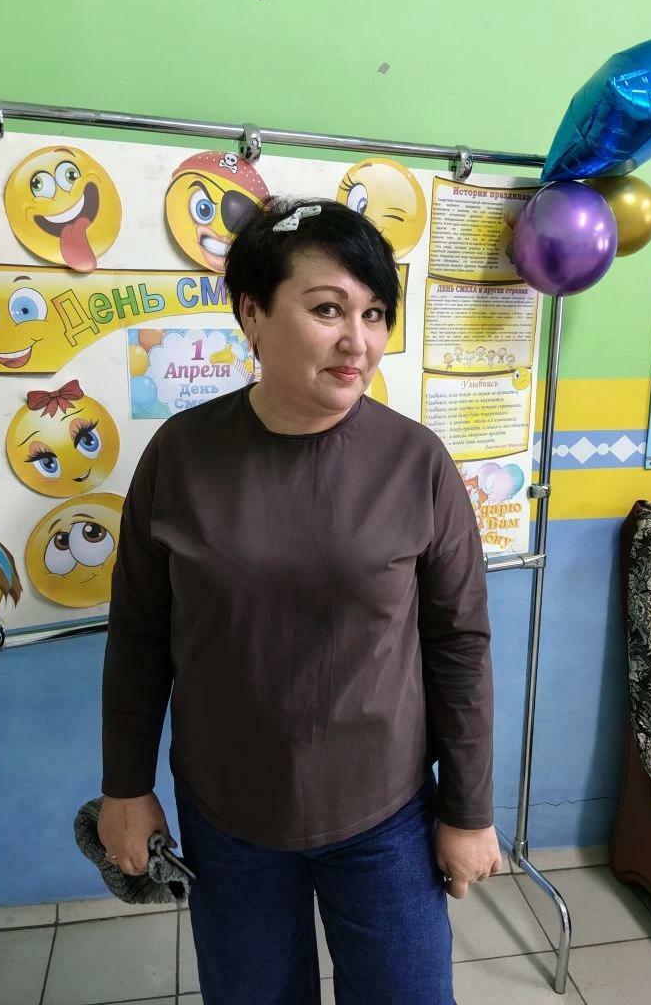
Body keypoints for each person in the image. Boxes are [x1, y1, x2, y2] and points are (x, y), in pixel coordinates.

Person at [98, 197, 502, 1005]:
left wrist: (468, 811)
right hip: (226, 812)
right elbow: (140, 636)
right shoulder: (180, 457)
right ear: (252, 313)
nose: (359, 342)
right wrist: (126, 786)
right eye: (327, 310)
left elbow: (459, 644)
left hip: (386, 813)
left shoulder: (416, 462)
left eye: (374, 313)